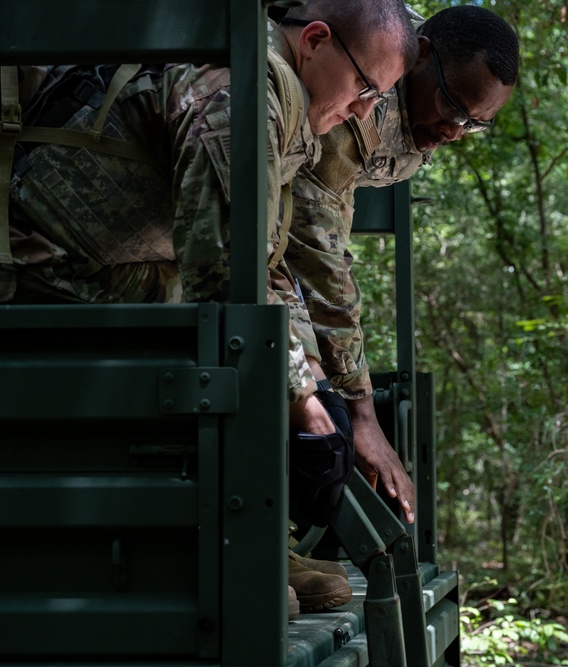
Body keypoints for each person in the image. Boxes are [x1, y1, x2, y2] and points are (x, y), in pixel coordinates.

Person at [0, 0, 418, 616]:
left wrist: (320, 390)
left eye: (376, 99)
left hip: (115, 270)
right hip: (53, 273)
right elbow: (226, 273)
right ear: (316, 41)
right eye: (363, 86)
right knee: (231, 346)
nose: (363, 111)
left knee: (277, 365)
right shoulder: (236, 91)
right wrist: (303, 402)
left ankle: (259, 542)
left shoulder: (277, 92)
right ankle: (222, 549)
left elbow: (267, 265)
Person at [282, 5, 520, 533]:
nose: (456, 133)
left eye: (475, 125)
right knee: (322, 414)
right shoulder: (363, 72)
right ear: (421, 56)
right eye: (454, 107)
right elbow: (318, 249)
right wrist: (362, 409)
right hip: (237, 236)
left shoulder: (419, 109)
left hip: (278, 231)